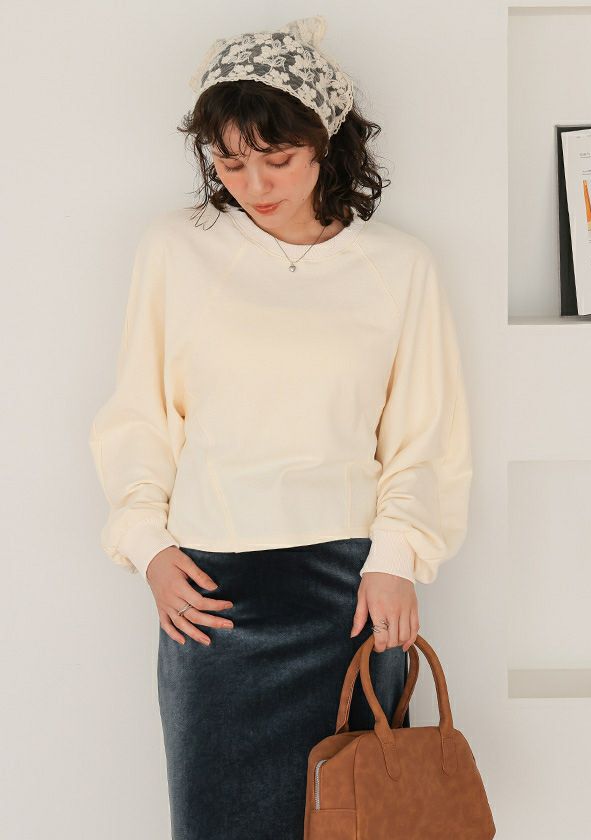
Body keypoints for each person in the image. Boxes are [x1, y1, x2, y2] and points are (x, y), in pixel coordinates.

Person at [88, 15, 473, 840]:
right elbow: (138, 414)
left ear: (325, 142)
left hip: (350, 592)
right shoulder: (175, 249)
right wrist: (148, 546)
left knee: (365, 822)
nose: (255, 184)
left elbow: (426, 435)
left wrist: (397, 559)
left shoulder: (399, 267)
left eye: (278, 158)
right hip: (210, 594)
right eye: (230, 162)